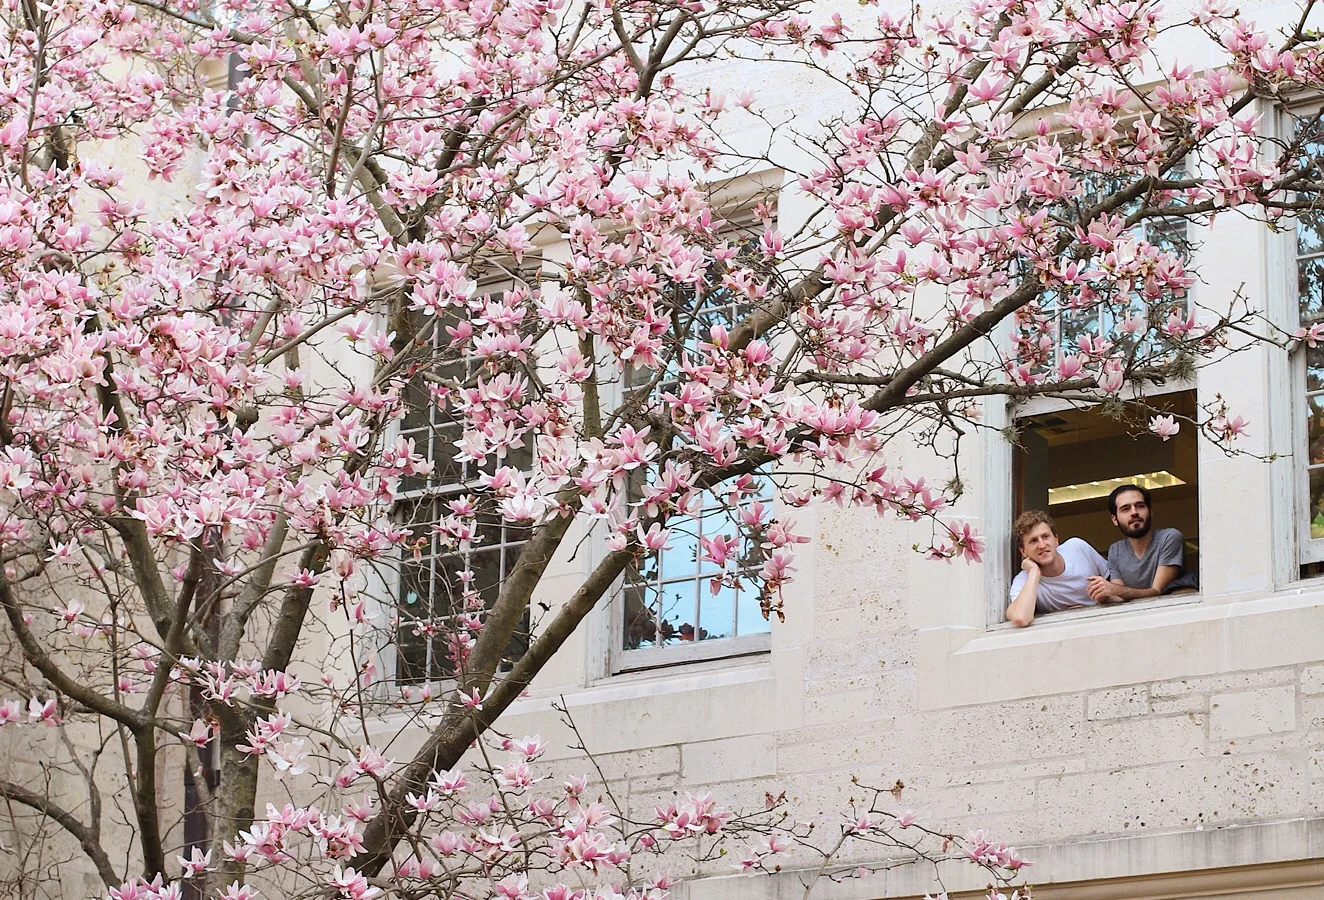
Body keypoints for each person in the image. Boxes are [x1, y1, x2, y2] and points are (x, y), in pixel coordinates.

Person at [1086, 484, 1198, 603]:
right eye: (1125, 509)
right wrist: (1104, 596)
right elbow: (1118, 597)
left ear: (1150, 511)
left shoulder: (1169, 537)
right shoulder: (1115, 550)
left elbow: (1156, 592)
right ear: (1114, 519)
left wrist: (1114, 590)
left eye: (1140, 506)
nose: (1134, 512)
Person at [1006, 510, 1109, 627]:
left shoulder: (1077, 548)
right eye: (1033, 541)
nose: (1042, 545)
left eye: (1045, 537)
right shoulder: (1024, 580)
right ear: (1023, 551)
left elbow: (1114, 584)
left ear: (1056, 540)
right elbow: (1020, 618)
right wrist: (1034, 572)